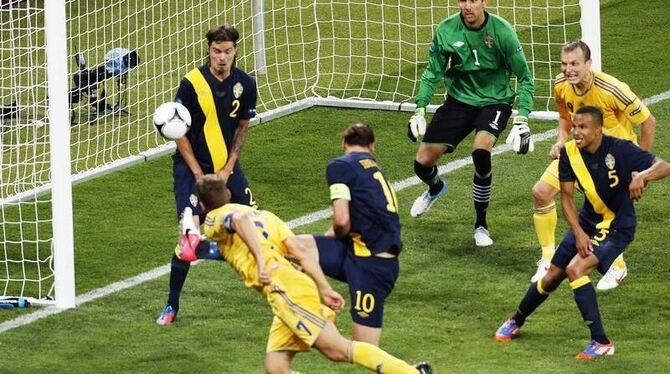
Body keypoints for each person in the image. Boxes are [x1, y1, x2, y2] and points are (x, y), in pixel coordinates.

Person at [178, 174, 433, 374]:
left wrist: (261, 262)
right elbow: (298, 250)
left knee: (337, 350)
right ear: (230, 193)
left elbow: (238, 224)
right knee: (276, 367)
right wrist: (324, 287)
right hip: (295, 285)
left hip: (283, 289)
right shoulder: (265, 216)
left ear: (203, 204)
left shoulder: (213, 219)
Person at [493, 106, 670, 359]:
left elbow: (664, 165)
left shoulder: (620, 149)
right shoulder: (569, 153)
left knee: (575, 269)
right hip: (587, 221)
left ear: (598, 130)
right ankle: (516, 320)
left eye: (582, 127)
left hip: (617, 226)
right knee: (551, 276)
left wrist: (642, 176)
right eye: (574, 126)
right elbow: (566, 198)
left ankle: (602, 342)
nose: (575, 132)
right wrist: (577, 233)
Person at [530, 40, 656, 290]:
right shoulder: (560, 84)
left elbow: (648, 121)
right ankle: (547, 259)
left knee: (605, 215)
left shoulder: (611, 89)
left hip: (613, 160)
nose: (569, 70)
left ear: (589, 63)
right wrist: (560, 140)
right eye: (565, 64)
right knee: (540, 193)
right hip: (578, 153)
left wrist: (640, 169)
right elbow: (566, 115)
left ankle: (617, 266)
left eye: (575, 64)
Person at [407, 0, 535, 247]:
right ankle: (435, 188)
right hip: (459, 101)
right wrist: (419, 109)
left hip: (495, 101)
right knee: (421, 164)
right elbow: (432, 73)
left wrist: (522, 119)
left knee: (480, 152)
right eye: (463, 0)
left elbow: (525, 78)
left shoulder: (502, 32)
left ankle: (481, 225)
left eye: (473, 0)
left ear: (484, 2)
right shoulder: (446, 30)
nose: (467, 6)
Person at [157, 25, 258, 325]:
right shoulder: (192, 83)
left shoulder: (246, 84)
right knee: (187, 242)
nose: (222, 57)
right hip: (191, 171)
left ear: (236, 50)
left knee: (257, 227)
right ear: (208, 50)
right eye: (217, 51)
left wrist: (227, 169)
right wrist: (200, 174)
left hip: (227, 170)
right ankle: (171, 305)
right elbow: (179, 133)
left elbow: (242, 128)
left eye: (227, 51)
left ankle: (279, 287)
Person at [286, 123, 402, 346]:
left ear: (344, 143)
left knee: (364, 350)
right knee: (296, 247)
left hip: (371, 268)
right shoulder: (374, 171)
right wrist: (321, 245)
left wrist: (328, 241)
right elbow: (345, 222)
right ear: (372, 146)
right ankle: (307, 302)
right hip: (364, 255)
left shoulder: (340, 166)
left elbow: (341, 221)